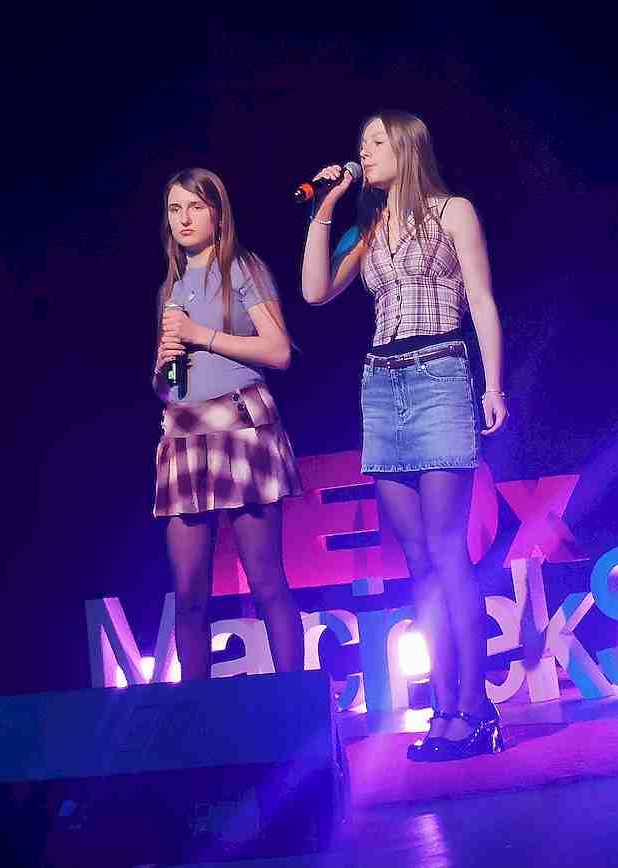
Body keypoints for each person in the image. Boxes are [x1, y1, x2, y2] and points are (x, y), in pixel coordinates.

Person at [301, 111, 509, 761]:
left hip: (441, 371)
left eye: (376, 141)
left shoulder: (453, 211)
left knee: (449, 550)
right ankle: (443, 708)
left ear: (407, 147)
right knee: (416, 559)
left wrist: (494, 386)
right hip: (381, 384)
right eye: (360, 142)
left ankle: (475, 708)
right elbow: (314, 292)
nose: (363, 151)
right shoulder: (367, 227)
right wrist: (326, 207)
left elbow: (482, 300)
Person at [153, 167, 303, 680]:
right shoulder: (171, 287)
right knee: (188, 593)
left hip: (240, 427)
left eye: (195, 207)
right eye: (175, 209)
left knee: (266, 582)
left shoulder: (241, 266)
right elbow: (171, 382)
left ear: (218, 214)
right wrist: (164, 370)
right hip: (185, 435)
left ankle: (293, 705)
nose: (184, 219)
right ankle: (196, 716)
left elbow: (279, 351)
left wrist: (201, 335)